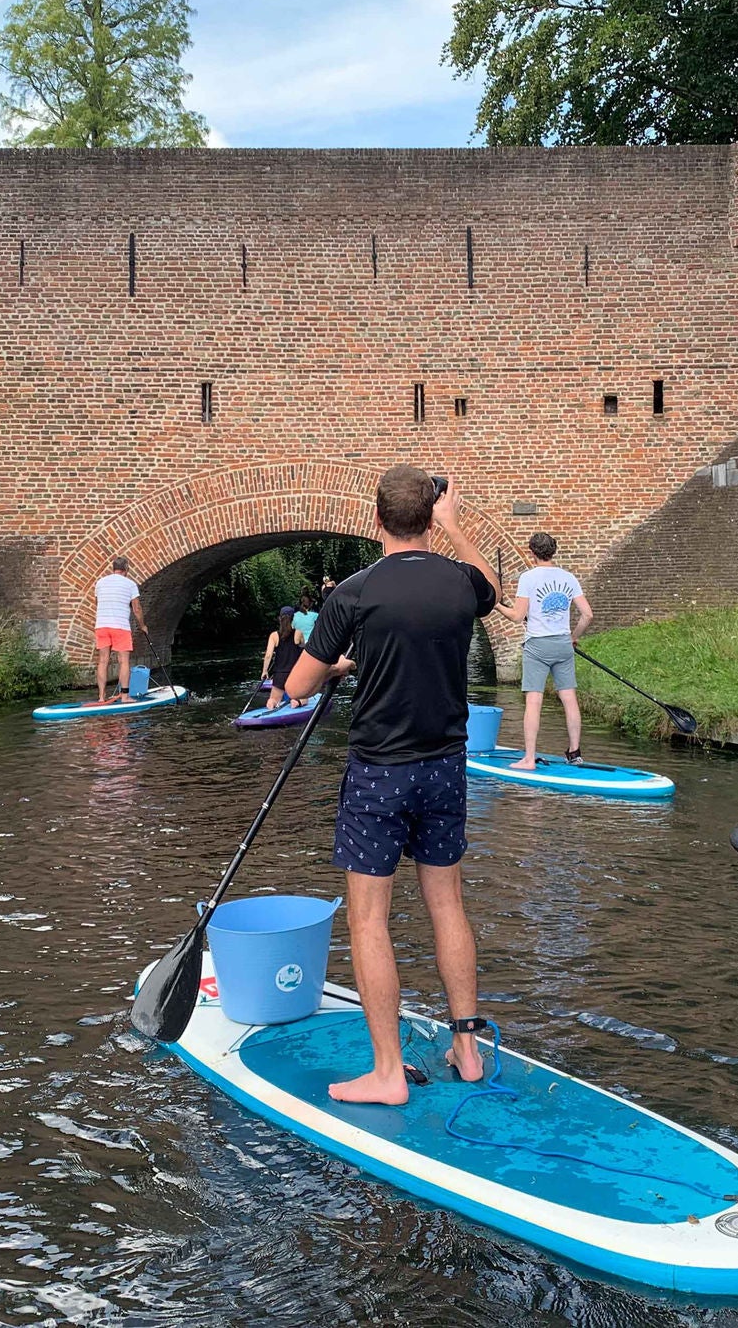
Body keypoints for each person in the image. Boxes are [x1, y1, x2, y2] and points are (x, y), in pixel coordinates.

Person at [285, 467, 499, 1105]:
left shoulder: (352, 595)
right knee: (447, 905)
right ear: (429, 519)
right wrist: (456, 525)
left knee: (369, 920)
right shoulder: (461, 584)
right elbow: (492, 587)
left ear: (374, 519)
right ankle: (466, 1049)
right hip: (446, 767)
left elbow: (296, 687)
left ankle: (386, 1075)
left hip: (379, 771)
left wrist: (343, 662)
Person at [494, 531, 593, 769]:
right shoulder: (568, 578)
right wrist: (572, 638)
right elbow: (587, 615)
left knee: (534, 701)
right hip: (562, 644)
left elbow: (518, 617)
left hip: (537, 645)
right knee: (569, 699)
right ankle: (575, 753)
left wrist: (497, 606)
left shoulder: (528, 578)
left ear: (532, 553)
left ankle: (529, 759)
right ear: (553, 552)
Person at [93, 556, 147, 703]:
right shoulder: (130, 584)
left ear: (113, 568)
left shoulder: (100, 582)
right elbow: (136, 608)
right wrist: (142, 625)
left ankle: (101, 697)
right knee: (123, 661)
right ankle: (125, 696)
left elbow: (98, 602)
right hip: (120, 626)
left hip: (102, 626)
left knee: (103, 661)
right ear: (126, 569)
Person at [257, 605, 303, 710]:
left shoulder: (274, 635)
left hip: (279, 674)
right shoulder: (298, 634)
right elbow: (304, 652)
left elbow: (268, 655)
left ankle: (271, 703)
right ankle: (295, 701)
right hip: (294, 673)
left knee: (273, 699)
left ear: (279, 618)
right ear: (293, 618)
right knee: (304, 699)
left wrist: (265, 671)